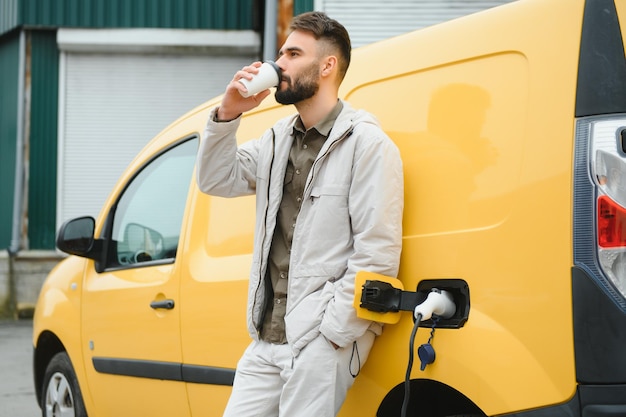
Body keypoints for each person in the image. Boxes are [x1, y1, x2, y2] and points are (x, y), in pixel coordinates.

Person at [196, 11, 404, 417]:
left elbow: (376, 254)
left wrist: (331, 337)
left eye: (293, 54)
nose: (279, 65)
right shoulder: (275, 141)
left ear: (327, 65)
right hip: (266, 338)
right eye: (281, 54)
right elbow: (216, 179)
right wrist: (228, 113)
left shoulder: (368, 145)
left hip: (321, 340)